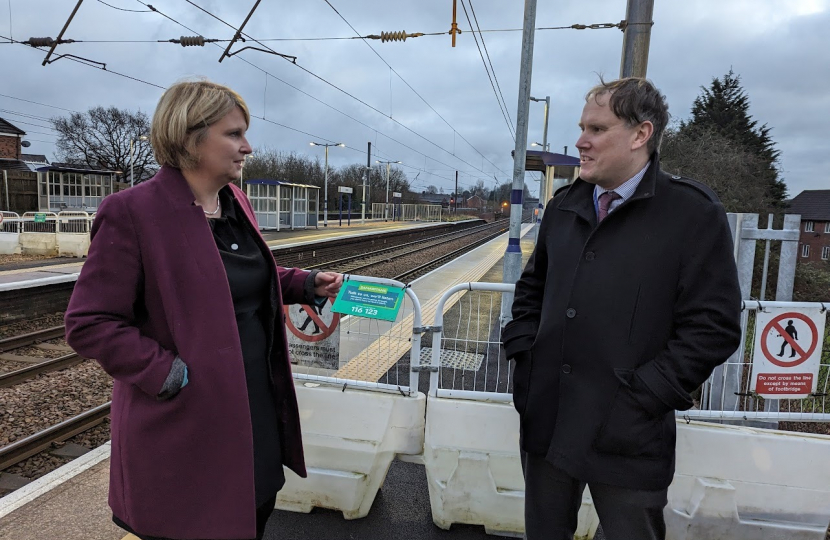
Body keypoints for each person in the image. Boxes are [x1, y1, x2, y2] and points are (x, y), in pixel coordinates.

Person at [65, 79, 343, 540]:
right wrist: (165, 373)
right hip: (184, 423)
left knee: (253, 514)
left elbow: (230, 282)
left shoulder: (235, 203)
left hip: (252, 411)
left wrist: (303, 283)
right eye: (233, 134)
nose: (247, 147)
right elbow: (89, 322)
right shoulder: (132, 212)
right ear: (190, 137)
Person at [502, 77, 742, 540]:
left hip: (629, 432)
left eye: (596, 128)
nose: (580, 141)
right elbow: (531, 290)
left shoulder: (692, 214)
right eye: (581, 127)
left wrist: (645, 396)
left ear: (640, 134)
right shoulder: (565, 206)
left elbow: (713, 326)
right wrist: (524, 359)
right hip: (549, 419)